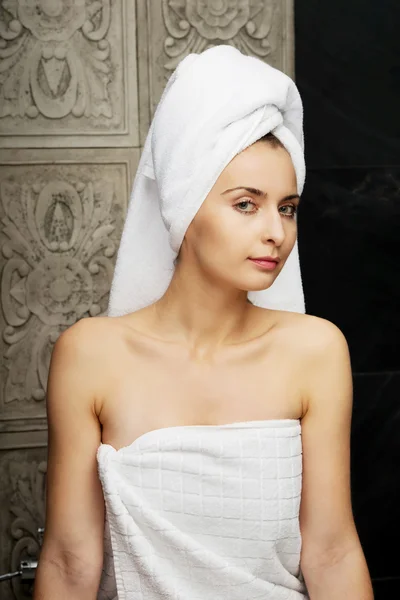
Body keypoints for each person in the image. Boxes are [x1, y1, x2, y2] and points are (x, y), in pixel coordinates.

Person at [34, 46, 373, 599]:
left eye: (287, 207)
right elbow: (71, 563)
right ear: (185, 206)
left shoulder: (316, 351)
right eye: (246, 204)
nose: (276, 232)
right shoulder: (90, 356)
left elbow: (332, 552)